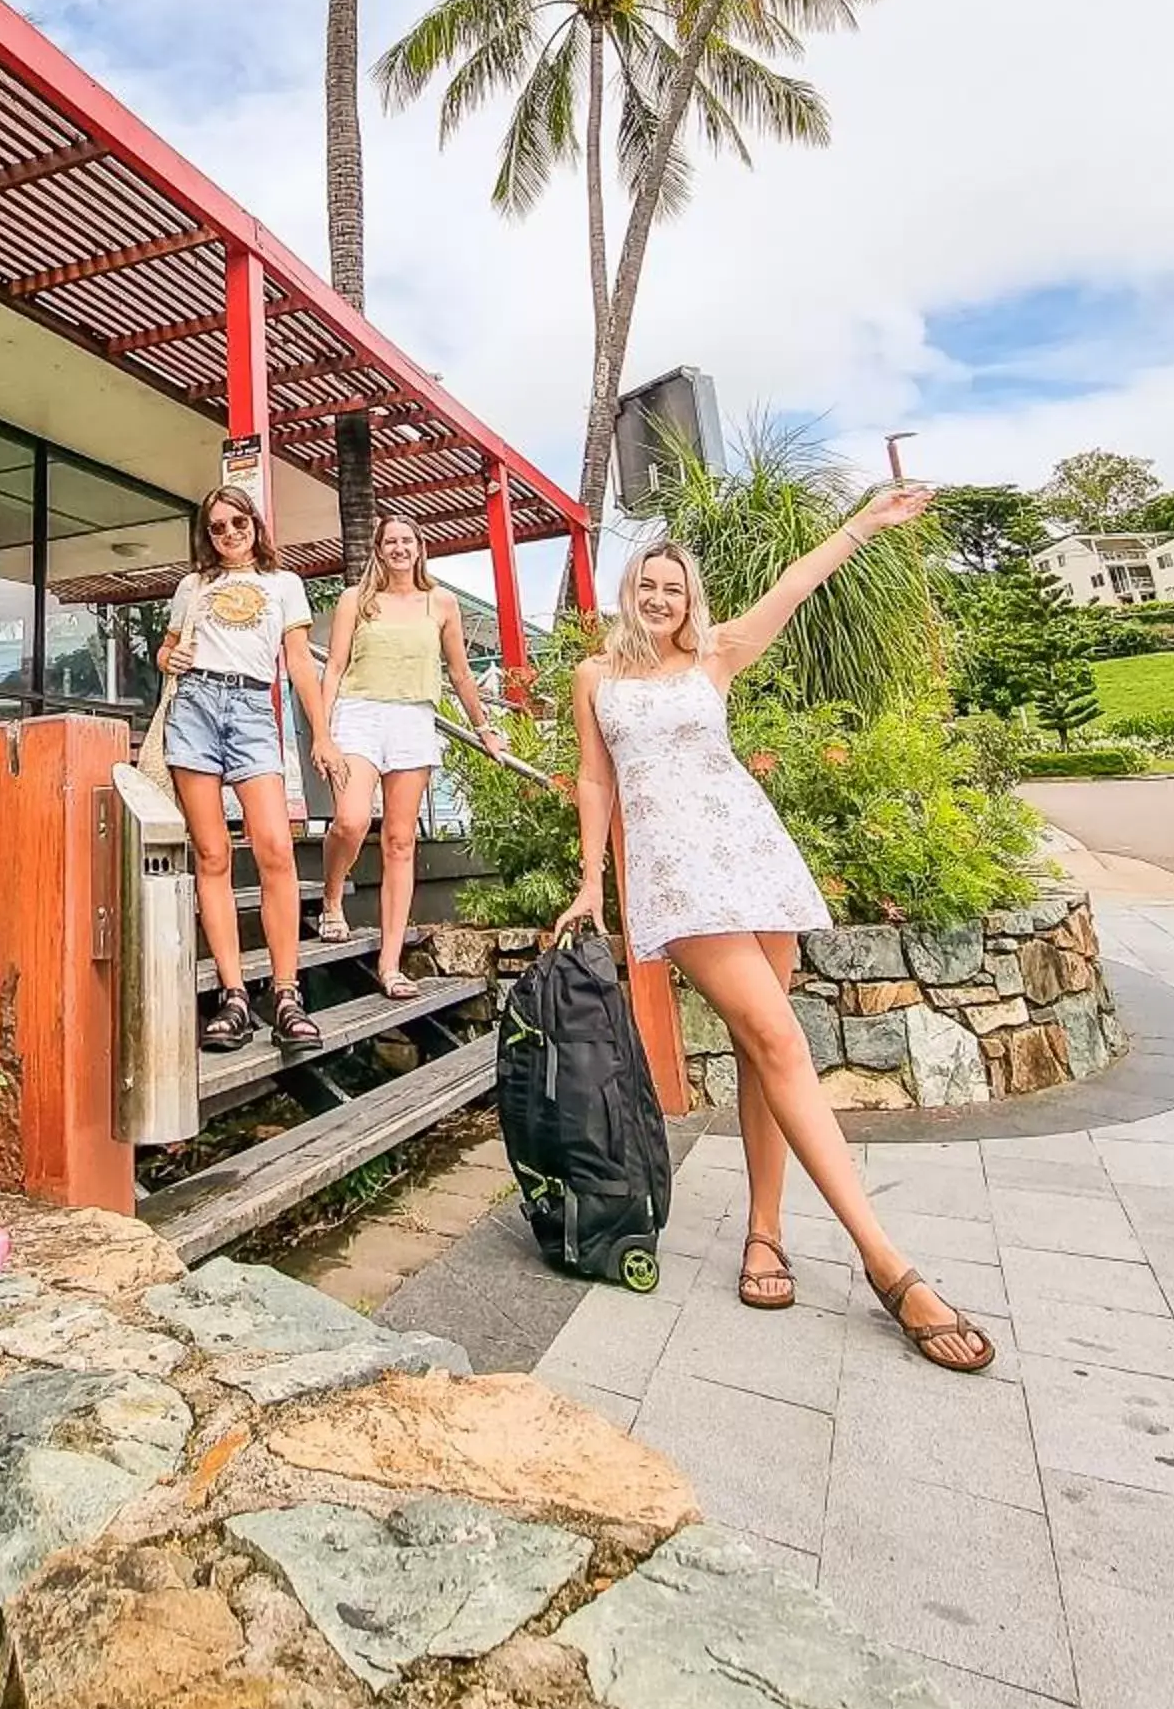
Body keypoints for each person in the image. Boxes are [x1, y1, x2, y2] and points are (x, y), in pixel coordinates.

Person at [554, 493, 994, 1373]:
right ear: (627, 591)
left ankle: (766, 1233)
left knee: (766, 1047)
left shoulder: (716, 655)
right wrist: (591, 884)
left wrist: (863, 524)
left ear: (692, 599)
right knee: (780, 1040)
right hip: (680, 878)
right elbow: (595, 782)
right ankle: (887, 1262)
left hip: (754, 856)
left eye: (675, 588)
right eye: (648, 583)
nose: (661, 598)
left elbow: (796, 584)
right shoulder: (596, 677)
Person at [160, 485, 341, 1054]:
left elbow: (298, 667)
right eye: (217, 527)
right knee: (211, 855)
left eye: (239, 522)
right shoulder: (193, 587)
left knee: (274, 849)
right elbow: (166, 652)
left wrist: (322, 735)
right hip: (194, 707)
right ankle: (233, 995)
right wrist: (171, 658)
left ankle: (286, 994)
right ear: (206, 535)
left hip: (252, 708)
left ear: (255, 525)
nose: (230, 534)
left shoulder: (283, 585)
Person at [314, 511, 505, 996]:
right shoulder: (355, 600)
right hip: (359, 713)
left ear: (420, 548)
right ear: (378, 550)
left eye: (407, 540)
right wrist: (323, 733)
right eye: (390, 541)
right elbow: (333, 667)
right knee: (352, 821)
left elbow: (460, 674)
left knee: (401, 841)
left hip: (413, 719)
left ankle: (391, 963)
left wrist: (483, 728)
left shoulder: (441, 603)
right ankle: (332, 896)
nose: (399, 548)